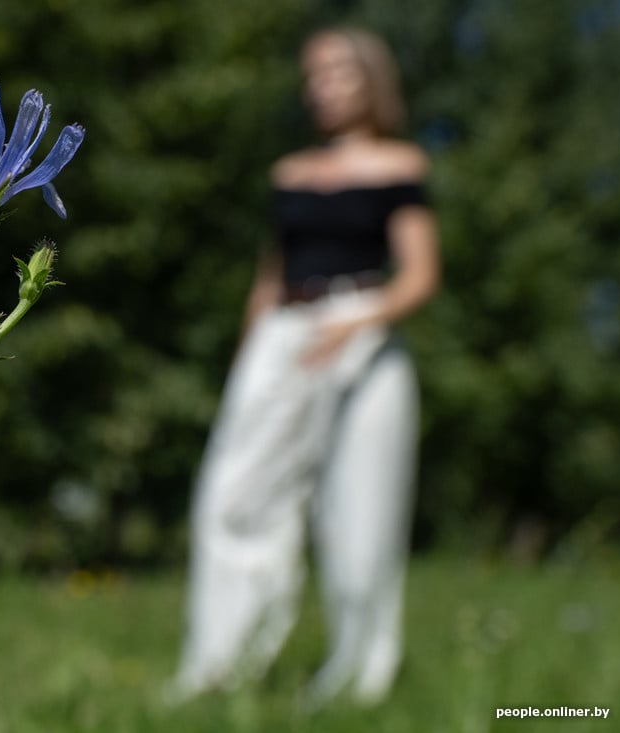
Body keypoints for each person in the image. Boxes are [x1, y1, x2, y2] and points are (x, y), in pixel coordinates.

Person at [170, 27, 440, 707]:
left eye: (336, 71)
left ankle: (358, 676)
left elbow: (419, 275)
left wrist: (357, 321)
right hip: (284, 334)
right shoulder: (289, 173)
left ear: (371, 78)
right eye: (311, 74)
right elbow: (269, 276)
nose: (319, 84)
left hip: (365, 329)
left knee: (362, 507)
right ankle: (217, 664)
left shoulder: (400, 164)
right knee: (233, 495)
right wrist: (249, 355)